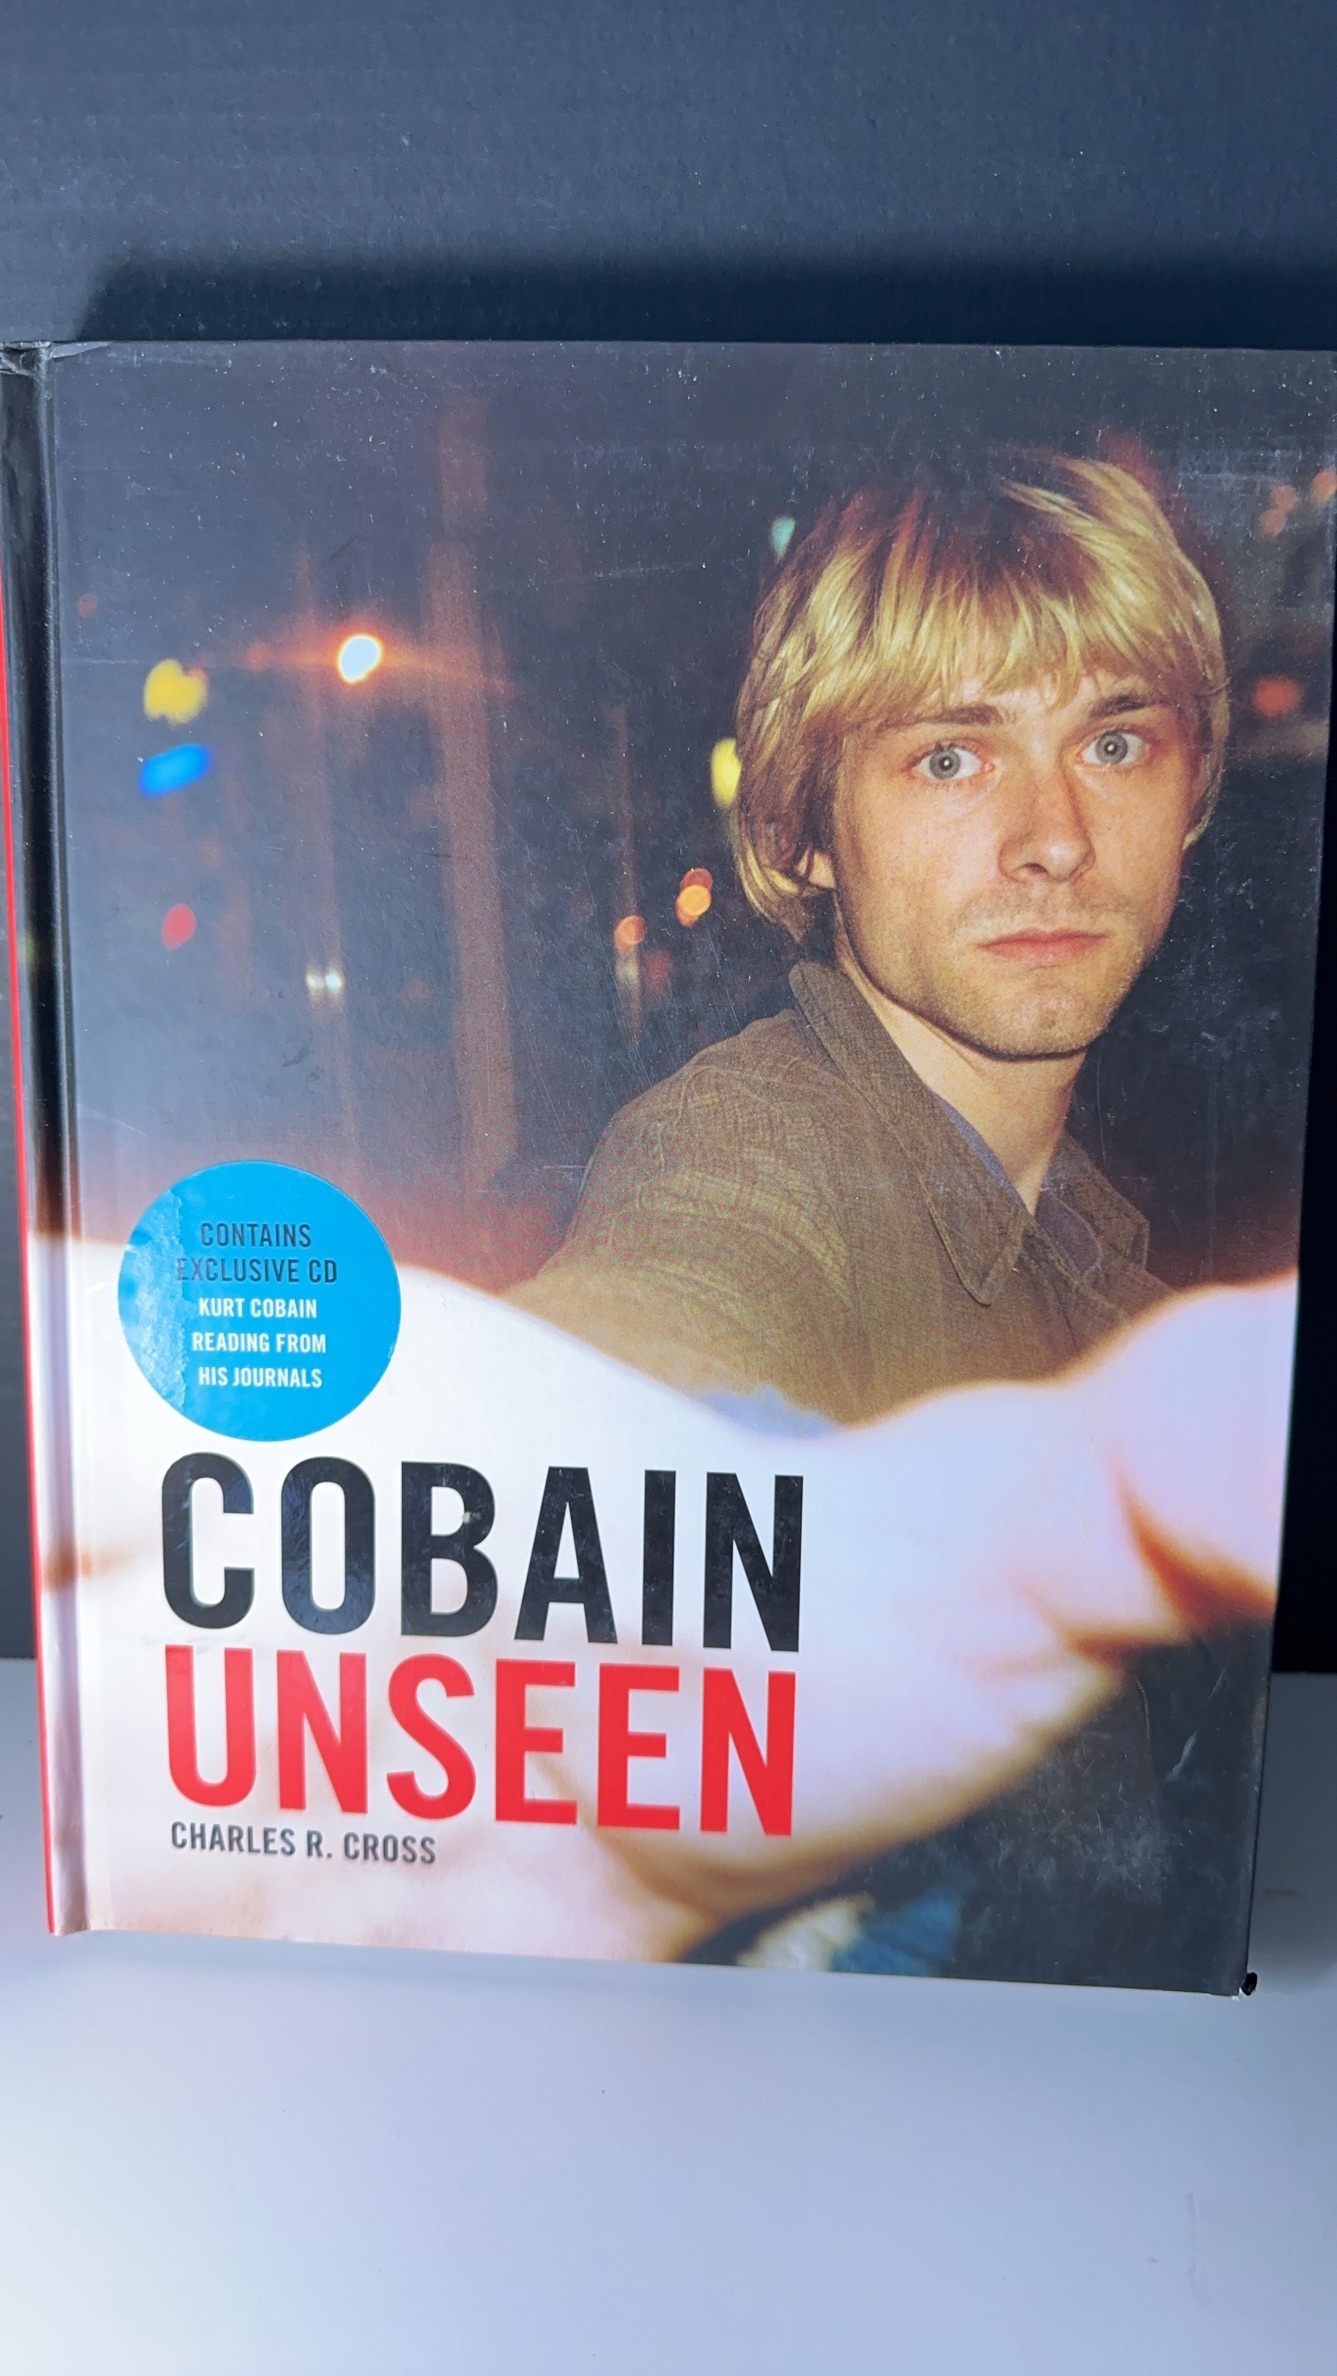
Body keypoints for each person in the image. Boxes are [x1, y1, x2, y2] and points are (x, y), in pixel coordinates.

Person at [512, 453, 1270, 1982]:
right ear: (803, 830)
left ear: (1189, 800)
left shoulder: (1093, 1233)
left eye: (1113, 741)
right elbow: (646, 1349)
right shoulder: (748, 1150)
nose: (1053, 834)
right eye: (949, 757)